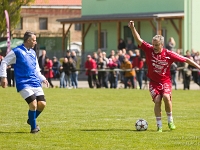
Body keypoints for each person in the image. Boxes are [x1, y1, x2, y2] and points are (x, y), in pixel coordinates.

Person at [128, 20, 200, 132]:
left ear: (162, 44)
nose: (154, 47)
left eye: (156, 45)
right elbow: (139, 39)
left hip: (165, 81)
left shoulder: (168, 54)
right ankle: (159, 125)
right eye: (153, 44)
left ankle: (170, 120)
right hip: (153, 82)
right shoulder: (149, 49)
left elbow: (185, 59)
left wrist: (198, 67)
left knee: (166, 97)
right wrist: (132, 28)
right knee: (157, 100)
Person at [0, 31, 49, 133]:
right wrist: (3, 77)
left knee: (42, 104)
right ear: (28, 40)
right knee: (33, 104)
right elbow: (4, 62)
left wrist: (43, 78)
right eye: (34, 40)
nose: (35, 42)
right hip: (23, 82)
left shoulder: (33, 53)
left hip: (35, 82)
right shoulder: (17, 51)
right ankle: (34, 128)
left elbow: (36, 70)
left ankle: (31, 120)